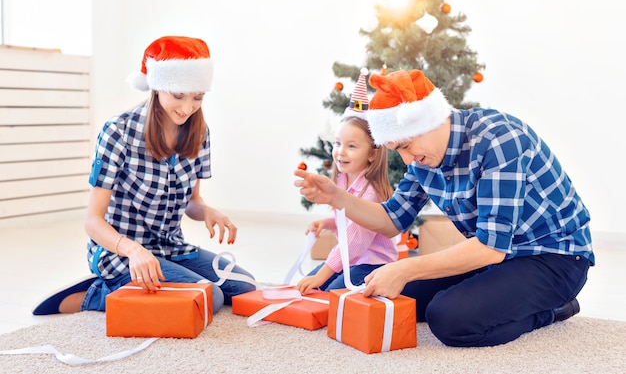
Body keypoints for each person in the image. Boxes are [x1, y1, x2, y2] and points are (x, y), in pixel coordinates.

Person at [294, 69, 594, 347]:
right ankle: (490, 291)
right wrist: (337, 197)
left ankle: (553, 310)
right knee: (366, 284)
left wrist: (405, 268)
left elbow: (491, 247)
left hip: (555, 259)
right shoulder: (423, 158)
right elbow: (391, 219)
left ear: (434, 120)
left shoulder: (498, 139)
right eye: (399, 150)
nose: (408, 159)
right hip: (496, 258)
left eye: (408, 145)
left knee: (449, 318)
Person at [33, 35, 256, 316]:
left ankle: (144, 284)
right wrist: (133, 251)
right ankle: (95, 294)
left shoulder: (200, 133)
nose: (187, 108)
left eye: (197, 97)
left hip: (170, 248)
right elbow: (93, 221)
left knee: (245, 288)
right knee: (209, 299)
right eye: (178, 95)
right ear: (157, 86)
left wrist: (208, 211)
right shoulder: (118, 131)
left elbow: (191, 202)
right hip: (121, 252)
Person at [297, 69, 397, 294]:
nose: (340, 152)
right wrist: (327, 223)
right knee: (309, 287)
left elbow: (355, 241)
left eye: (351, 146)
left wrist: (323, 273)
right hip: (350, 260)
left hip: (372, 263)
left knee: (332, 292)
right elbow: (344, 223)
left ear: (372, 153)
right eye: (337, 143)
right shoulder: (341, 181)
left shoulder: (371, 192)